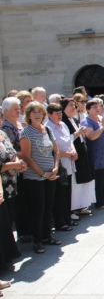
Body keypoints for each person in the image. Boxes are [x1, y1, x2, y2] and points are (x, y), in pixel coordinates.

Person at [20, 102, 61, 254]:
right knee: (38, 209)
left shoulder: (48, 130)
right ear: (28, 115)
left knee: (48, 208)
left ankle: (47, 236)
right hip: (34, 178)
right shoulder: (26, 132)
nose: (37, 114)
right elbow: (26, 156)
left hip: (51, 175)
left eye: (40, 112)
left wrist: (55, 167)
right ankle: (37, 241)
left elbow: (56, 151)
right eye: (34, 112)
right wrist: (42, 174)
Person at [45, 103, 78, 230]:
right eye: (56, 113)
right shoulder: (47, 127)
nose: (59, 116)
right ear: (49, 115)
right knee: (59, 195)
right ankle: (60, 222)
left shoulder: (63, 125)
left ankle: (67, 218)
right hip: (58, 165)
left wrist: (73, 151)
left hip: (68, 164)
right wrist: (66, 154)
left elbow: (69, 140)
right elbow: (52, 149)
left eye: (60, 113)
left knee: (67, 193)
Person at [61, 98, 95, 215]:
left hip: (81, 153)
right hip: (72, 156)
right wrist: (78, 133)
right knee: (74, 185)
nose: (74, 108)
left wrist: (82, 132)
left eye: (75, 105)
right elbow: (67, 139)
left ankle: (81, 205)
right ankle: (73, 208)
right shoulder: (63, 122)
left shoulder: (74, 119)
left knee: (83, 181)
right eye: (71, 105)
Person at [81, 100, 104, 210]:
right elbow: (91, 136)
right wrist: (102, 126)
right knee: (100, 179)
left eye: (99, 106)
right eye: (94, 107)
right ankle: (100, 202)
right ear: (88, 109)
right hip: (98, 155)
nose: (97, 109)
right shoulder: (87, 122)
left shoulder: (102, 119)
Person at [0, 123, 25, 269]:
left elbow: (12, 152)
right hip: (3, 183)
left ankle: (7, 256)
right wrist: (14, 165)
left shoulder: (2, 134)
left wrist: (17, 163)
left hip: (9, 185)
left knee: (7, 221)